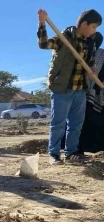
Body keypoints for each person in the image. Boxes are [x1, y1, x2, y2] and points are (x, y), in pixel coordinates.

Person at [37, 9, 102, 165]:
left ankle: (71, 153)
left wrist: (91, 69)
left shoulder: (90, 42)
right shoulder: (63, 38)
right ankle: (54, 154)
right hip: (62, 88)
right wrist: (42, 23)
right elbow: (44, 44)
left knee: (76, 124)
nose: (95, 30)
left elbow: (90, 61)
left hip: (80, 89)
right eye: (93, 27)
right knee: (58, 123)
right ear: (84, 24)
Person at [62, 32, 104, 154]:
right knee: (79, 123)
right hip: (89, 93)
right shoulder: (80, 53)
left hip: (84, 92)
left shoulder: (91, 53)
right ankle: (76, 150)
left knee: (76, 122)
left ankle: (77, 150)